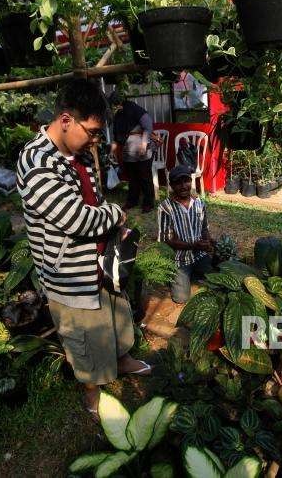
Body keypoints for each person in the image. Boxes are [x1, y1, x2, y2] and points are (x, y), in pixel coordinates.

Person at [16, 80, 151, 419]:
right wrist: (116, 214)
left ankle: (121, 359)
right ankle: (92, 392)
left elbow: (95, 199)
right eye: (91, 132)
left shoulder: (79, 153)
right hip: (70, 274)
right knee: (84, 339)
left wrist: (112, 224)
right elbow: (76, 219)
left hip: (102, 260)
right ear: (65, 120)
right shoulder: (35, 161)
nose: (95, 141)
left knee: (117, 318)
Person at [158, 165, 214, 303]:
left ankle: (192, 273)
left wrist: (208, 242)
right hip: (180, 259)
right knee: (181, 298)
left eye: (186, 181)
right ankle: (178, 274)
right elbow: (168, 239)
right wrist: (194, 244)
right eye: (178, 182)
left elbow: (204, 228)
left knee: (215, 282)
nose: (183, 186)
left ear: (191, 181)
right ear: (171, 185)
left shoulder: (199, 202)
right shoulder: (165, 207)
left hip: (199, 254)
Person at [109, 91, 156, 213]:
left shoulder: (135, 109)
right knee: (132, 178)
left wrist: (144, 144)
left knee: (145, 177)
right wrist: (113, 148)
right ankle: (132, 201)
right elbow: (116, 134)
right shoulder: (118, 115)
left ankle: (148, 203)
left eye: (116, 104)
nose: (115, 107)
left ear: (121, 102)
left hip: (141, 148)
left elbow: (148, 126)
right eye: (113, 105)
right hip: (128, 151)